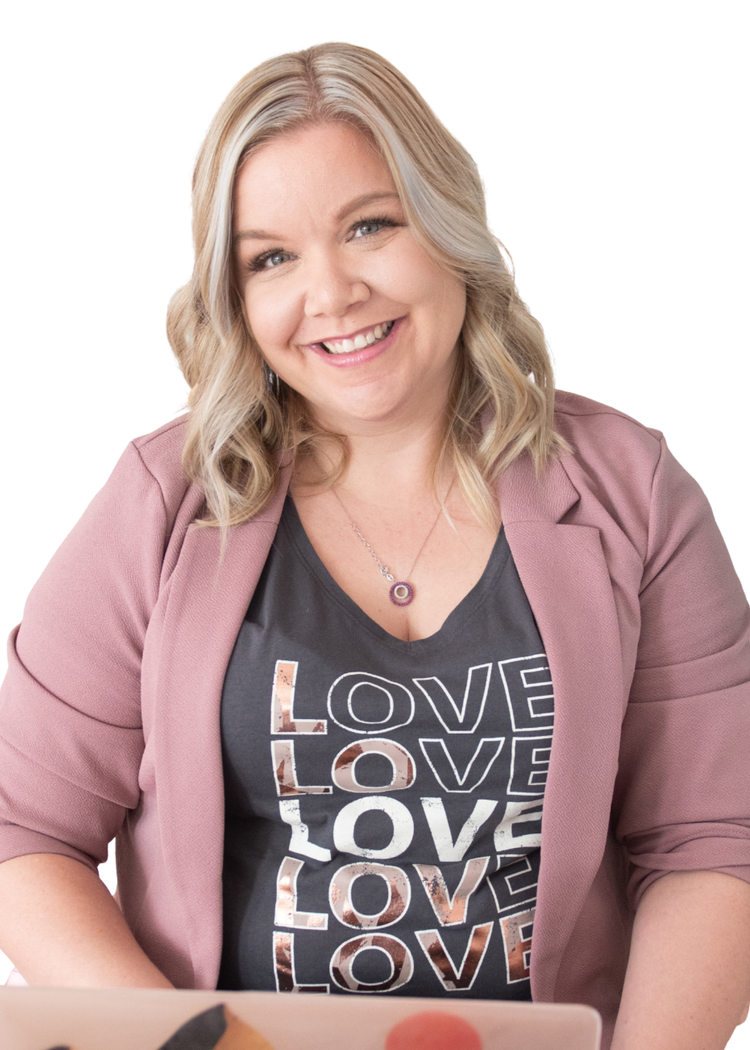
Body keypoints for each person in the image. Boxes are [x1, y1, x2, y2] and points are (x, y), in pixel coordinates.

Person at [1, 42, 749, 1050]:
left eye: (369, 226)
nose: (333, 291)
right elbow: (21, 829)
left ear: (446, 230)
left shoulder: (633, 493)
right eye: (271, 257)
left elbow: (715, 840)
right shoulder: (162, 505)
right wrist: (190, 1043)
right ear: (237, 297)